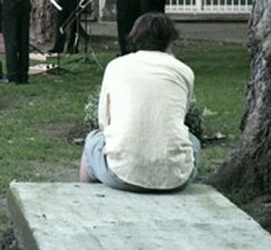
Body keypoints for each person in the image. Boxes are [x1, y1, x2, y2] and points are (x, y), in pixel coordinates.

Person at [79, 13, 200, 192]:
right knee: (192, 141)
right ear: (170, 40)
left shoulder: (116, 66)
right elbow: (180, 116)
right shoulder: (184, 71)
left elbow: (104, 121)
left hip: (118, 173)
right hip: (175, 178)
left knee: (92, 140)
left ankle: (85, 196)